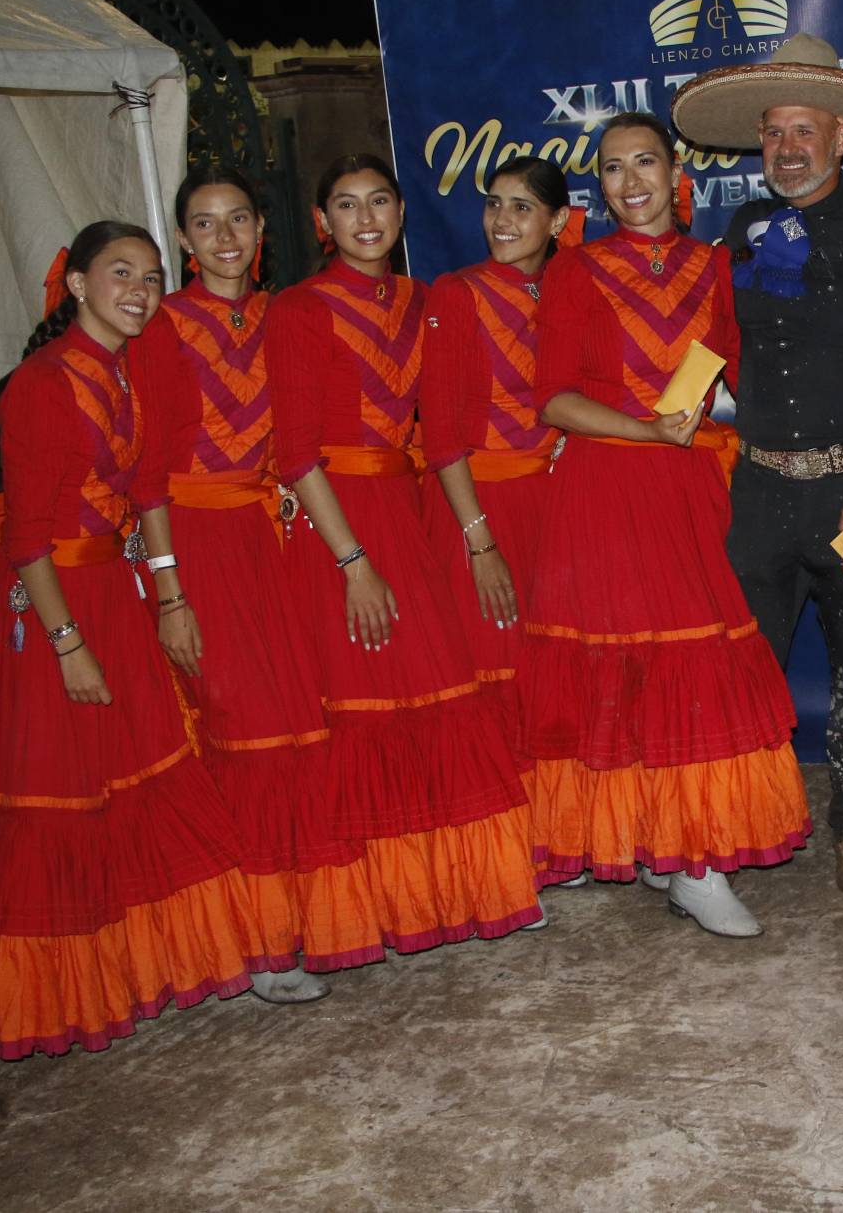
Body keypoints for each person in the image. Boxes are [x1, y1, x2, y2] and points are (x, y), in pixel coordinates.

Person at [0, 222, 265, 1058]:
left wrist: (169, 594)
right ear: (75, 285)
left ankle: (136, 965)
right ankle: (51, 988)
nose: (139, 289)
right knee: (54, 797)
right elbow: (27, 537)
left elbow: (149, 492)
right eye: (119, 273)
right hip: (47, 604)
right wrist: (67, 642)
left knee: (134, 782)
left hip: (115, 587)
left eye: (149, 275)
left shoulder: (134, 368)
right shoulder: (39, 384)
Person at [669, 33, 843, 894]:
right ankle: (743, 821)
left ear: (841, 136)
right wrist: (668, 411)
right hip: (758, 494)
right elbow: (713, 337)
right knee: (741, 665)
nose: (787, 149)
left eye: (804, 131)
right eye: (772, 132)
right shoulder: (744, 229)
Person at [520, 112, 810, 937]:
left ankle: (696, 858)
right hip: (606, 490)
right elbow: (553, 398)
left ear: (675, 173)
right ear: (598, 186)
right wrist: (646, 428)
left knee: (694, 663)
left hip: (691, 487)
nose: (630, 181)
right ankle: (664, 846)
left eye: (644, 161)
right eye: (612, 169)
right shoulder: (574, 273)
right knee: (626, 667)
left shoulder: (721, 266)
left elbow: (753, 372)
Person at [263, 153, 542, 953]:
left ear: (399, 212)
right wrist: (352, 562)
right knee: (363, 709)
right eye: (345, 205)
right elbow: (295, 456)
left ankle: (442, 892)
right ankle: (367, 908)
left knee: (439, 696)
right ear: (323, 223)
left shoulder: (423, 300)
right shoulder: (300, 308)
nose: (365, 217)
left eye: (379, 200)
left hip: (412, 514)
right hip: (339, 529)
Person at [133, 168, 382, 1002]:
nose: (226, 237)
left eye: (238, 219)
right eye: (205, 226)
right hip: (201, 546)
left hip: (275, 539)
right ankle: (255, 942)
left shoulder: (288, 314)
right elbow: (147, 476)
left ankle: (287, 922)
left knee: (298, 726)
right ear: (183, 242)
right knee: (241, 733)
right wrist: (169, 590)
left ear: (262, 230)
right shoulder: (164, 327)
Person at [421, 157, 573, 734]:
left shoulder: (572, 285)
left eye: (521, 207)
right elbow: (439, 433)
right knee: (495, 670)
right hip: (477, 507)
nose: (501, 221)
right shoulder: (458, 293)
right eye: (493, 204)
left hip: (554, 509)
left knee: (552, 672)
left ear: (558, 221)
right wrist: (480, 545)